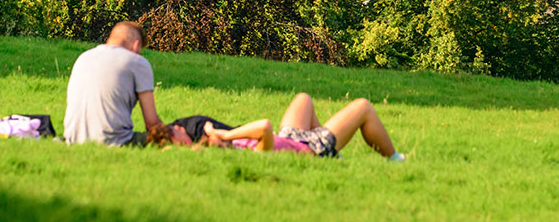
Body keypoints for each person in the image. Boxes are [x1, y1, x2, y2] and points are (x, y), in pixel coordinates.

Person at [151, 93, 404, 161]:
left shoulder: (234, 145)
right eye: (221, 142)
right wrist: (225, 133)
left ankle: (334, 159)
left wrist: (214, 138)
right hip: (310, 149)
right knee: (363, 107)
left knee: (303, 98)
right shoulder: (257, 154)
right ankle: (394, 158)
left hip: (290, 136)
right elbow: (263, 126)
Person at [63, 21, 164, 146]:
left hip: (74, 139)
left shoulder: (84, 57)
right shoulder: (137, 62)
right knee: (178, 134)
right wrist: (172, 134)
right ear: (136, 45)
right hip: (115, 141)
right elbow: (152, 123)